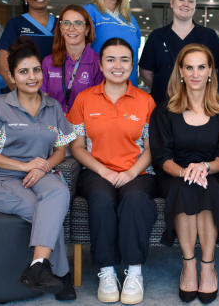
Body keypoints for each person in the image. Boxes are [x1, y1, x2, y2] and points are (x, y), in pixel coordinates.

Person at [0, 36, 77, 301]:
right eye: (23, 72)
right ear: (13, 77)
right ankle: (61, 274)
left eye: (36, 70)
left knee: (59, 194)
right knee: (43, 209)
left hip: (38, 174)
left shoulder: (53, 107)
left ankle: (37, 267)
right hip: (1, 178)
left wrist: (43, 168)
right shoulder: (0, 105)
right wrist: (23, 165)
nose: (32, 77)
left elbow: (61, 150)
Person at [68, 37, 157, 304]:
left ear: (133, 65)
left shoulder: (146, 101)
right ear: (101, 63)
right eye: (110, 59)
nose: (117, 65)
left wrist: (130, 173)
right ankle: (106, 271)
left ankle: (134, 271)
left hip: (138, 171)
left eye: (124, 59)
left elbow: (151, 148)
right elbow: (77, 147)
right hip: (96, 171)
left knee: (135, 199)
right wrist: (104, 172)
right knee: (102, 200)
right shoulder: (84, 99)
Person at [149, 44, 219, 304]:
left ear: (211, 71)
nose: (195, 73)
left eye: (201, 67)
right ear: (180, 71)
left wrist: (204, 168)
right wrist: (185, 171)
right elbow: (161, 157)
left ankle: (208, 264)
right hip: (174, 175)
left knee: (206, 186)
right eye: (189, 67)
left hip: (212, 174)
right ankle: (189, 265)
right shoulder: (164, 110)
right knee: (185, 185)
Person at [140, 0, 219, 105]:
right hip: (163, 105)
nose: (186, 4)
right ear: (172, 2)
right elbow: (145, 74)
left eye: (191, 1)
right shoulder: (156, 36)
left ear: (195, 5)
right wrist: (166, 90)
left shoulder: (209, 36)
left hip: (200, 106)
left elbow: (216, 72)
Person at [84, 0, 141, 86]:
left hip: (129, 91)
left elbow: (134, 59)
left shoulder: (131, 20)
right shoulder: (89, 12)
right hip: (98, 90)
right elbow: (79, 56)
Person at [0, 0, 56, 92]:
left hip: (53, 95)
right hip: (22, 94)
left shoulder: (60, 25)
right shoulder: (15, 24)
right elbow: (4, 68)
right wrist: (24, 97)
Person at [41, 4, 103, 114]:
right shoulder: (48, 62)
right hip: (55, 125)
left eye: (78, 23)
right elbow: (42, 100)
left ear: (87, 29)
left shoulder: (98, 63)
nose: (71, 28)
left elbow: (101, 104)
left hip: (85, 127)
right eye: (66, 23)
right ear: (61, 29)